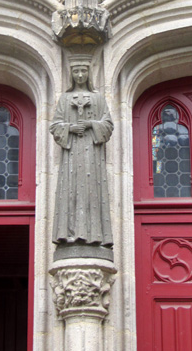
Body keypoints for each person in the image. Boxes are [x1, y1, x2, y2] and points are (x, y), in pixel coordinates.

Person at [50, 61, 114, 249]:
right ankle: (68, 234)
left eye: (83, 71)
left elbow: (108, 124)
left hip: (92, 155)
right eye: (76, 71)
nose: (79, 75)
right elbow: (54, 125)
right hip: (71, 154)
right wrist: (70, 128)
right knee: (70, 190)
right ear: (71, 74)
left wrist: (89, 125)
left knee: (93, 192)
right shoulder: (65, 98)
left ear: (89, 74)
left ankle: (95, 236)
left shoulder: (98, 99)